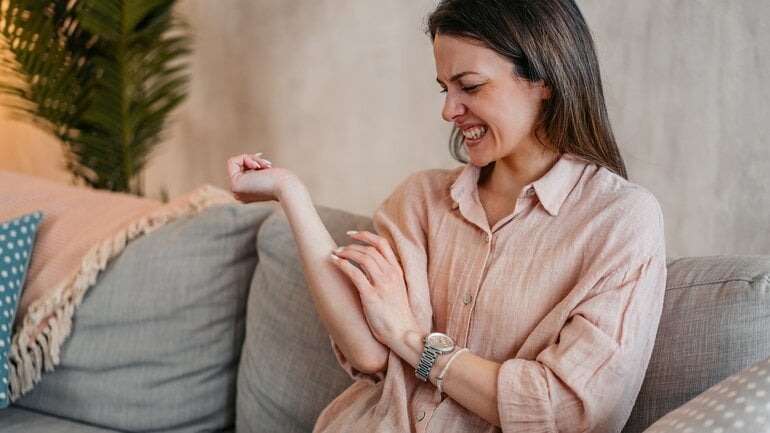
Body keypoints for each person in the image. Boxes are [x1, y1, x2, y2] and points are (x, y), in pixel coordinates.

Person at [226, 0, 666, 431]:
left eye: (470, 86)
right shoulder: (421, 199)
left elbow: (567, 411)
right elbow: (368, 352)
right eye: (445, 88)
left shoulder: (619, 222)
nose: (448, 110)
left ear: (544, 78)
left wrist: (413, 342)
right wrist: (291, 194)